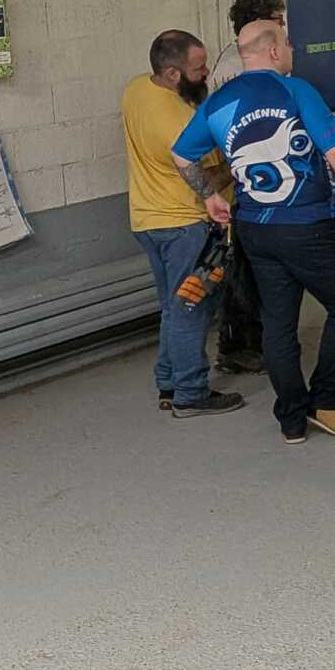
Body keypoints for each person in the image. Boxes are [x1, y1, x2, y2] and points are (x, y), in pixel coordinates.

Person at [172, 19, 335, 444]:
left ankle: (291, 419)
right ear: (272, 51)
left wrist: (209, 197)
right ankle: (326, 402)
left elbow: (181, 155)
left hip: (255, 229)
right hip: (308, 226)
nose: (291, 48)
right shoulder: (296, 91)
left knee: (278, 322)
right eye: (286, 42)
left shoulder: (218, 102)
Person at [121, 30, 243, 419]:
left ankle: (169, 383)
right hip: (184, 227)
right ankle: (191, 393)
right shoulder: (180, 123)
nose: (206, 73)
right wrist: (240, 163)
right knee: (192, 307)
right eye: (199, 68)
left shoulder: (137, 89)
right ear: (173, 74)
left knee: (173, 307)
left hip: (147, 220)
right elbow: (206, 178)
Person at [209, 0, 284, 374]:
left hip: (249, 179)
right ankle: (242, 347)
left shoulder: (231, 57)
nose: (284, 28)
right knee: (249, 271)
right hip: (252, 182)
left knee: (249, 269)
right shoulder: (244, 67)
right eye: (279, 20)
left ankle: (248, 343)